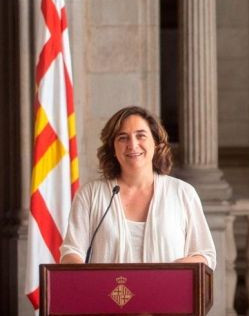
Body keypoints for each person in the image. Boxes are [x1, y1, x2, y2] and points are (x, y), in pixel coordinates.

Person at [60, 106, 216, 268]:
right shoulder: (90, 194)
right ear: (112, 147)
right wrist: (77, 270)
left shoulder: (183, 193)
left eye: (140, 136)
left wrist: (176, 269)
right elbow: (72, 251)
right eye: (122, 137)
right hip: (104, 293)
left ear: (156, 143)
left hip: (167, 292)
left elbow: (205, 255)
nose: (132, 145)